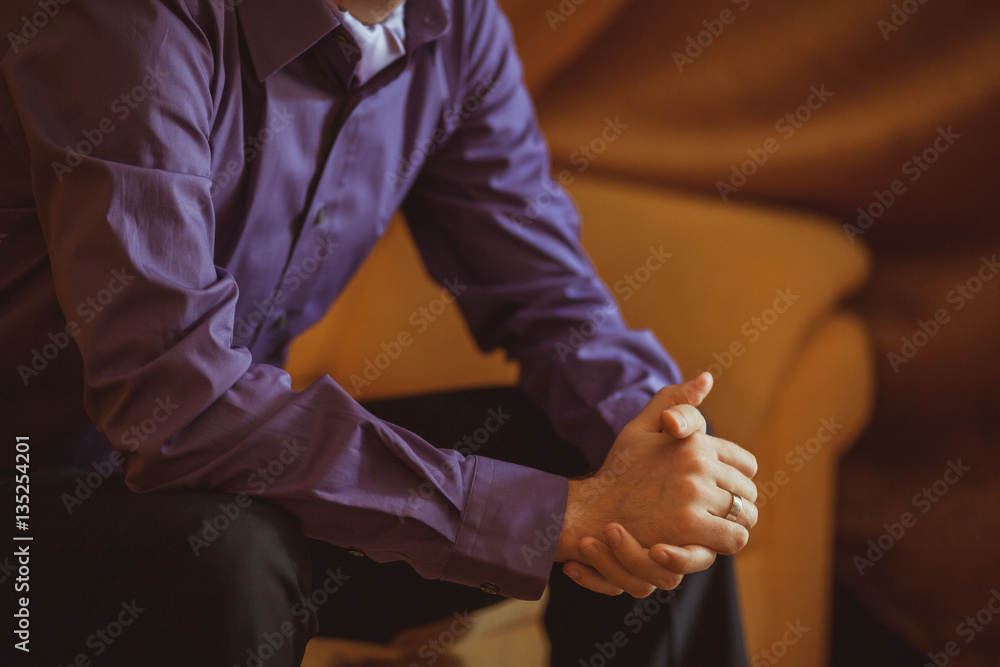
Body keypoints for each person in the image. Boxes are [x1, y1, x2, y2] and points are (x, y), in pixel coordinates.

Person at [0, 0, 758, 664]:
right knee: (227, 552)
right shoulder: (126, 18)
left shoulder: (451, 25)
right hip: (33, 508)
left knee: (657, 473)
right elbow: (175, 403)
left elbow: (551, 299)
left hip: (217, 472)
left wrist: (660, 440)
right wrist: (552, 515)